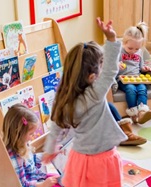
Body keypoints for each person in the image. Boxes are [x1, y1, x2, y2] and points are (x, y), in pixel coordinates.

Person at [42, 18, 126, 186]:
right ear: (91, 77)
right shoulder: (95, 94)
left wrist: (50, 149)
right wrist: (111, 39)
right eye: (99, 67)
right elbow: (111, 69)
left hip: (80, 158)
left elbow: (55, 127)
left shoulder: (63, 98)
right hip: (102, 160)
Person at [2, 104, 60, 187]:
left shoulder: (22, 142)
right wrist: (43, 185)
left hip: (37, 177)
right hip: (35, 183)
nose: (33, 137)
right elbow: (23, 185)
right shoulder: (14, 157)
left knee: (61, 179)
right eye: (31, 134)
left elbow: (31, 159)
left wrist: (47, 154)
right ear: (18, 133)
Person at [116, 22, 151, 124]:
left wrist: (145, 68)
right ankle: (133, 113)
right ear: (124, 43)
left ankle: (142, 112)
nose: (133, 51)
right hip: (123, 79)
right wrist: (117, 65)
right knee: (131, 89)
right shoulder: (119, 51)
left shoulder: (140, 52)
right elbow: (111, 65)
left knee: (142, 88)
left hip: (137, 77)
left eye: (136, 49)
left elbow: (140, 67)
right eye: (130, 48)